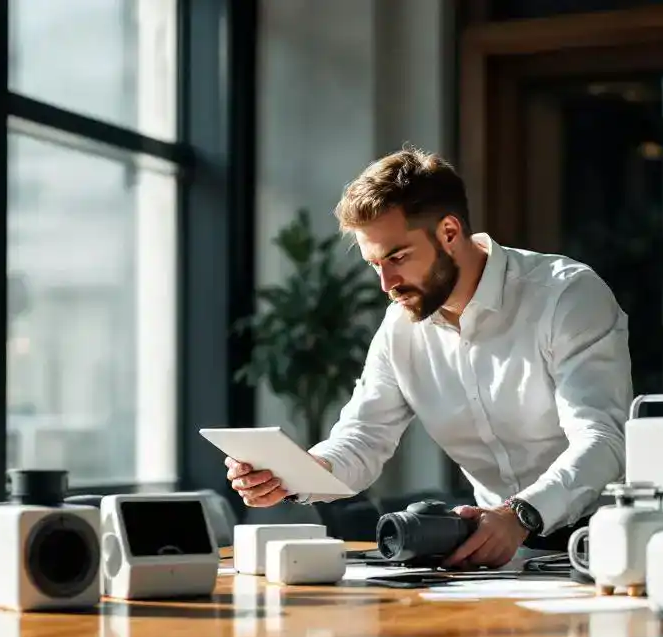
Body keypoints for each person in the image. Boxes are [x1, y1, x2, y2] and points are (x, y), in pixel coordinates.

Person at [226, 147, 632, 569]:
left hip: (605, 545)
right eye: (375, 264)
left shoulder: (566, 296)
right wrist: (297, 473)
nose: (386, 283)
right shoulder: (399, 328)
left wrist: (520, 513)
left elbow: (602, 438)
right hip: (497, 555)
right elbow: (363, 438)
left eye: (398, 258)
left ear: (450, 232)